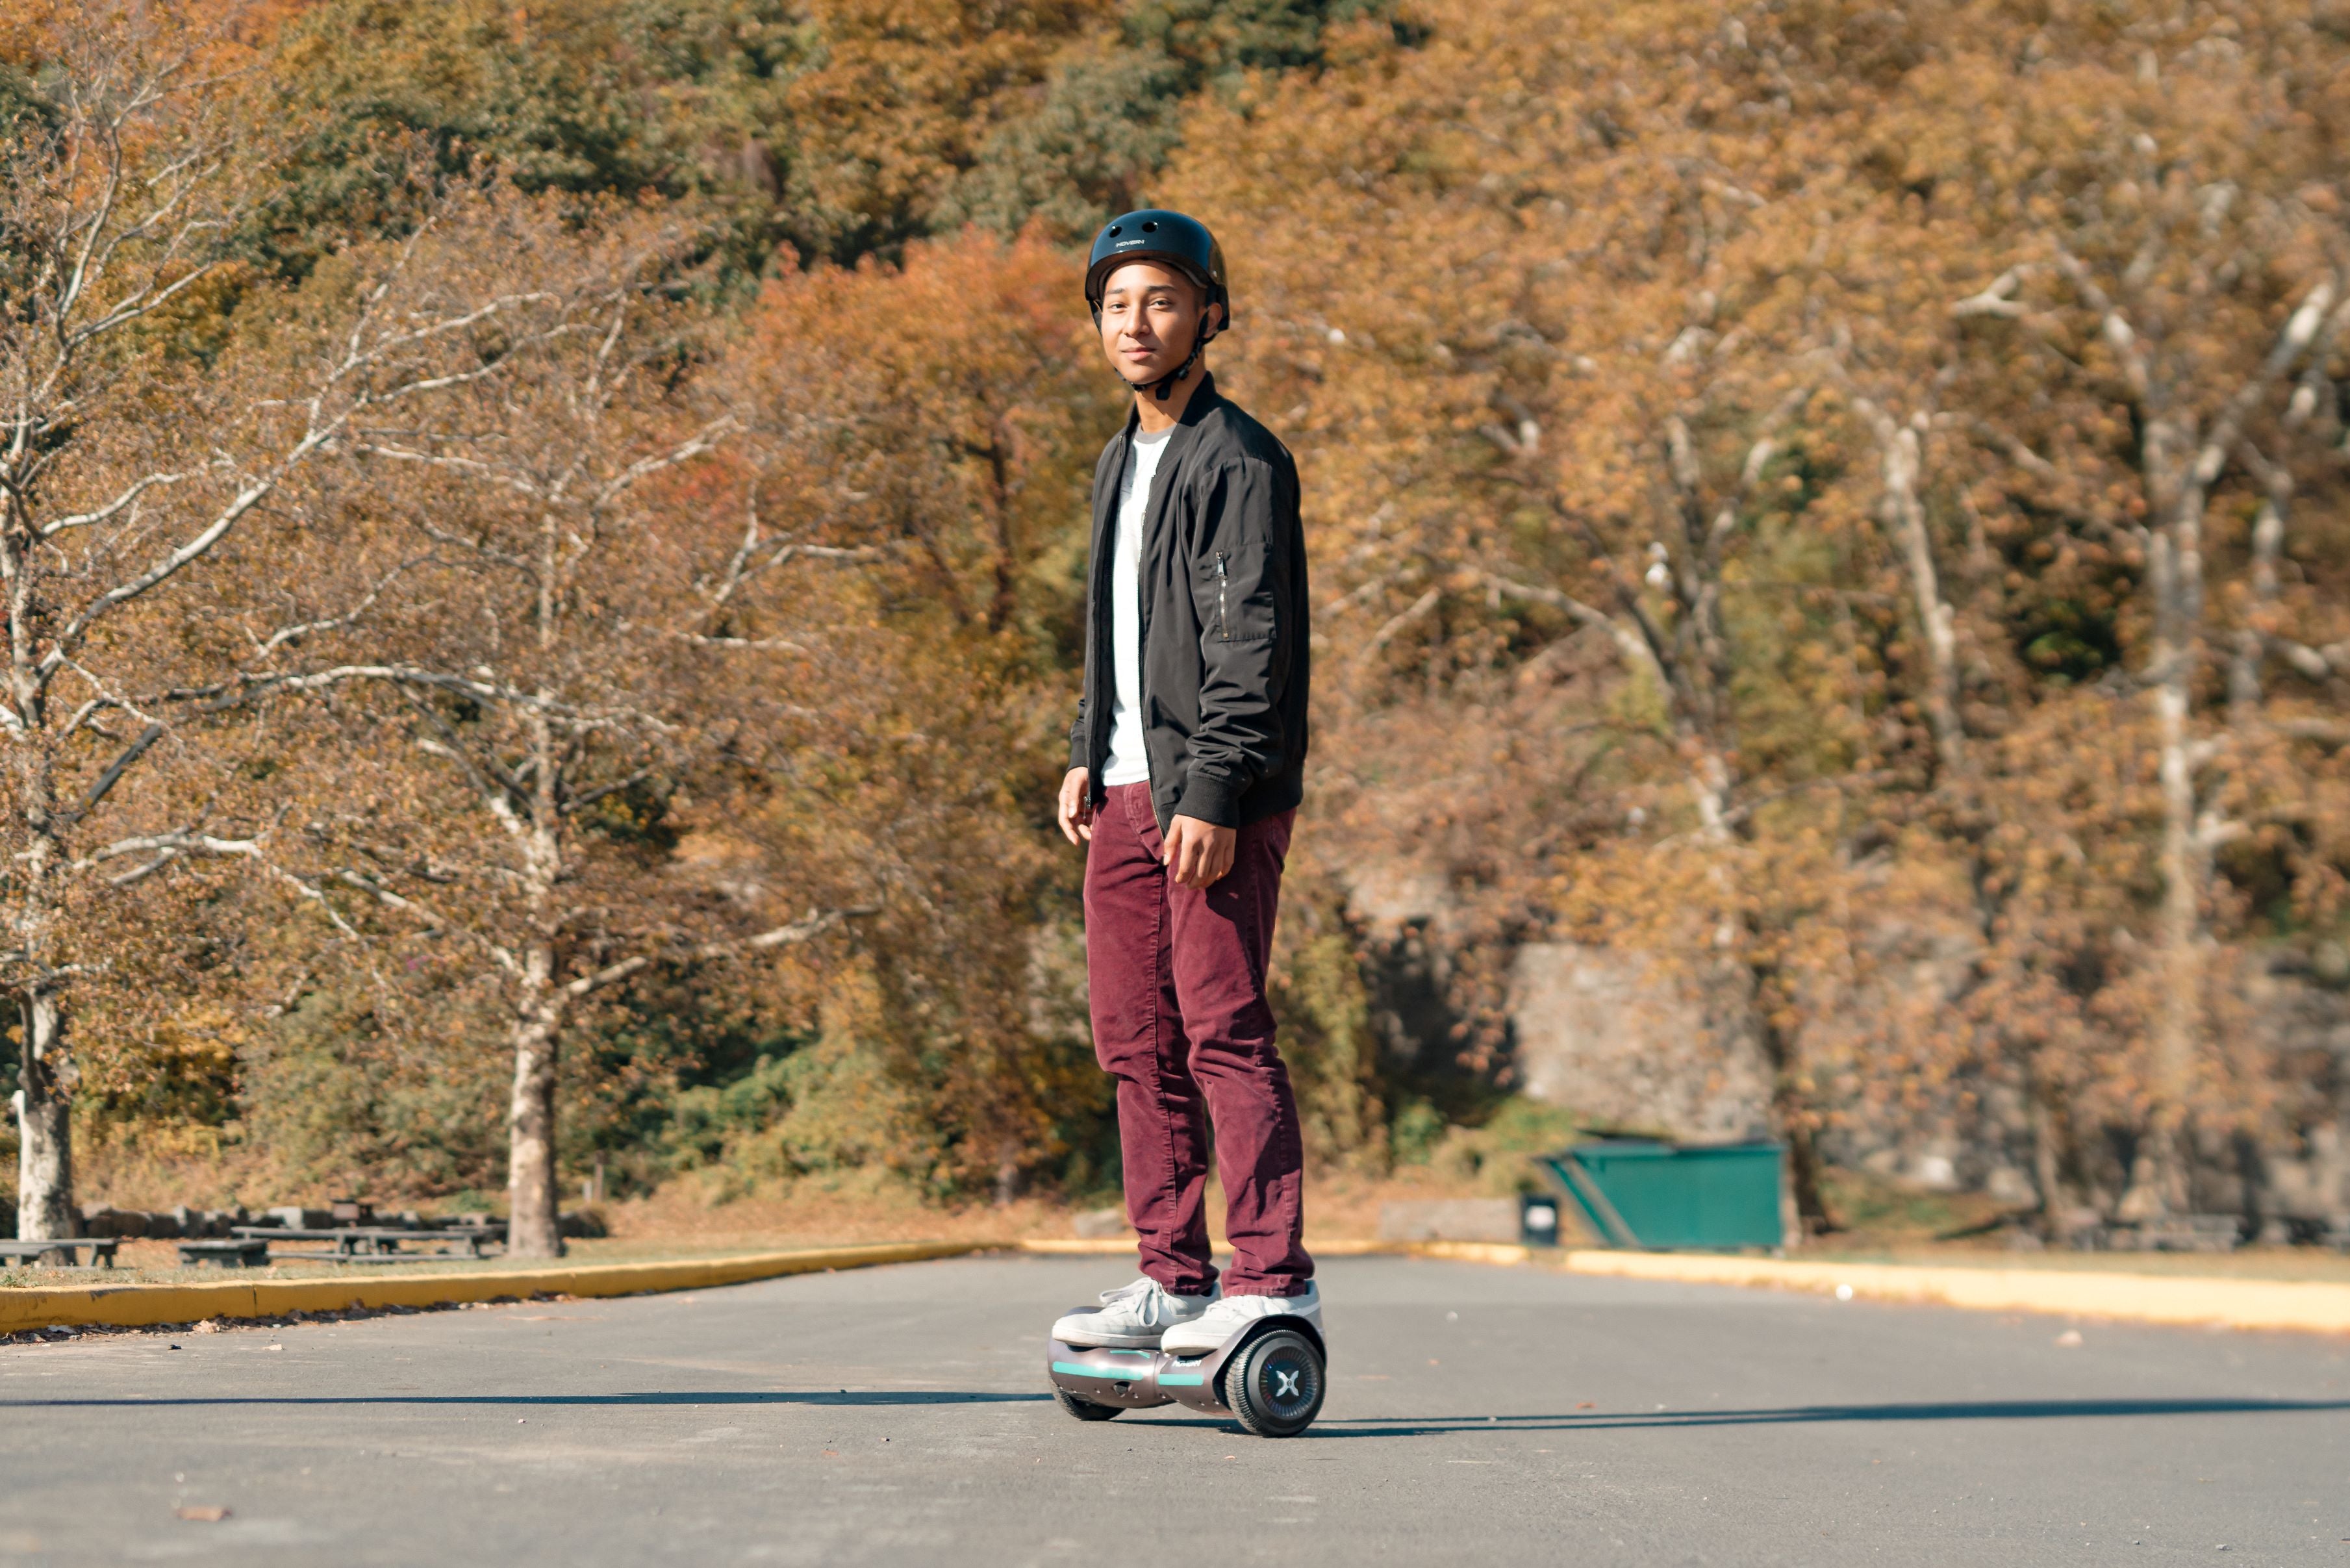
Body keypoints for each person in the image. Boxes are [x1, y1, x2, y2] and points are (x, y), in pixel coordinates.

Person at [1049, 209, 1318, 1358]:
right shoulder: (1120, 457)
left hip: (1210, 793)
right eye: (1116, 303)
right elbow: (1117, 629)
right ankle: (1170, 1272)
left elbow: (1244, 640)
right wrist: (1082, 744)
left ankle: (1269, 1276)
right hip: (1119, 785)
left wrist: (1208, 788)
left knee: (1221, 1031)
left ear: (1208, 312)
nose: (1135, 322)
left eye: (1159, 300)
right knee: (1133, 1039)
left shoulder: (1238, 458)